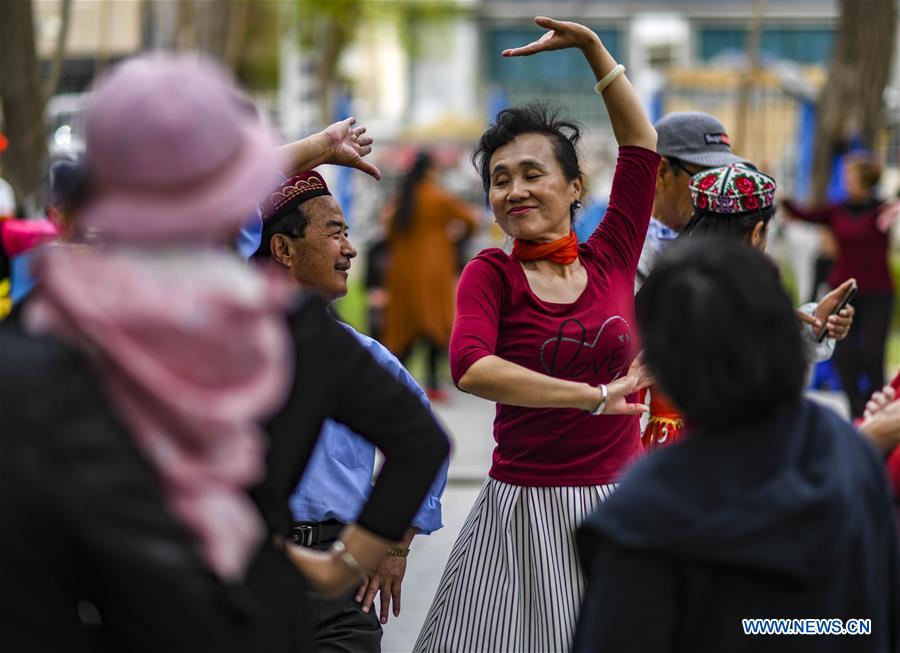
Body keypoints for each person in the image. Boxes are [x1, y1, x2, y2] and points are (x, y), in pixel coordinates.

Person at [1, 54, 449, 653]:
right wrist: (342, 564)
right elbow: (419, 441)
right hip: (254, 613)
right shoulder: (283, 330)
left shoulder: (45, 328)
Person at [414, 17, 658, 652]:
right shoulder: (490, 273)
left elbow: (640, 143)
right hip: (522, 510)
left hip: (620, 501)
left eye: (531, 173)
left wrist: (594, 50)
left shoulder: (612, 254)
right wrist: (592, 396)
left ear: (575, 187)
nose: (514, 190)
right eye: (499, 178)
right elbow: (471, 367)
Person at [574, 237, 900, 653]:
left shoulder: (644, 511)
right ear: (786, 336)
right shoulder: (849, 453)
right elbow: (871, 621)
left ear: (667, 367)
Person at [251, 169, 448, 652]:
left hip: (340, 590)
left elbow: (427, 446)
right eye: (335, 232)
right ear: (283, 250)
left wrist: (393, 544)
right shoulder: (234, 351)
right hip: (248, 573)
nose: (351, 249)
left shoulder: (366, 359)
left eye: (348, 233)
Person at [635, 113, 853, 450]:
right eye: (706, 174)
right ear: (662, 171)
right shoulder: (621, 252)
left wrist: (809, 323)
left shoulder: (733, 270)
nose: (719, 184)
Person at [782, 154, 894, 417]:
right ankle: (856, 411)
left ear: (865, 180)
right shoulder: (837, 210)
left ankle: (876, 411)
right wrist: (783, 196)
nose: (846, 181)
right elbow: (804, 214)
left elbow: (892, 217)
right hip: (846, 291)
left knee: (872, 353)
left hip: (877, 292)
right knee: (845, 356)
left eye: (850, 176)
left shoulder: (883, 210)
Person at [383, 151, 478, 400]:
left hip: (402, 274)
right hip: (434, 273)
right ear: (430, 171)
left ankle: (395, 380)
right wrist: (456, 237)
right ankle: (434, 383)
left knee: (404, 328)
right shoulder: (439, 198)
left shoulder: (402, 200)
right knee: (436, 326)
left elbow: (389, 231)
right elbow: (471, 220)